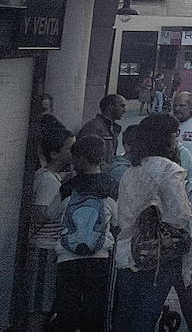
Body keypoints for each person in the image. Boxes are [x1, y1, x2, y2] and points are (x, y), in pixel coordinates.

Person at [114, 114, 192, 332]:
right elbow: (180, 215)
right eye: (175, 134)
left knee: (125, 317)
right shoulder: (168, 169)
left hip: (126, 251)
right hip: (158, 254)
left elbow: (119, 214)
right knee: (146, 316)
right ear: (166, 137)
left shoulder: (131, 170)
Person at [51, 134, 118, 332]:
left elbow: (53, 214)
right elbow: (117, 220)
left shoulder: (67, 188)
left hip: (67, 256)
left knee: (67, 308)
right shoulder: (110, 186)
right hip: (100, 255)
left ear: (79, 158)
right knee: (96, 309)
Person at [23, 125, 72, 332]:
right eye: (69, 148)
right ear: (54, 154)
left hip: (47, 248)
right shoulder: (48, 181)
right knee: (40, 305)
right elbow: (39, 215)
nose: (73, 152)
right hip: (44, 248)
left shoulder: (50, 177)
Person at [77, 93, 124, 168]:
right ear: (111, 106)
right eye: (122, 106)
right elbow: (85, 155)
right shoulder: (93, 127)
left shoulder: (112, 128)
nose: (124, 110)